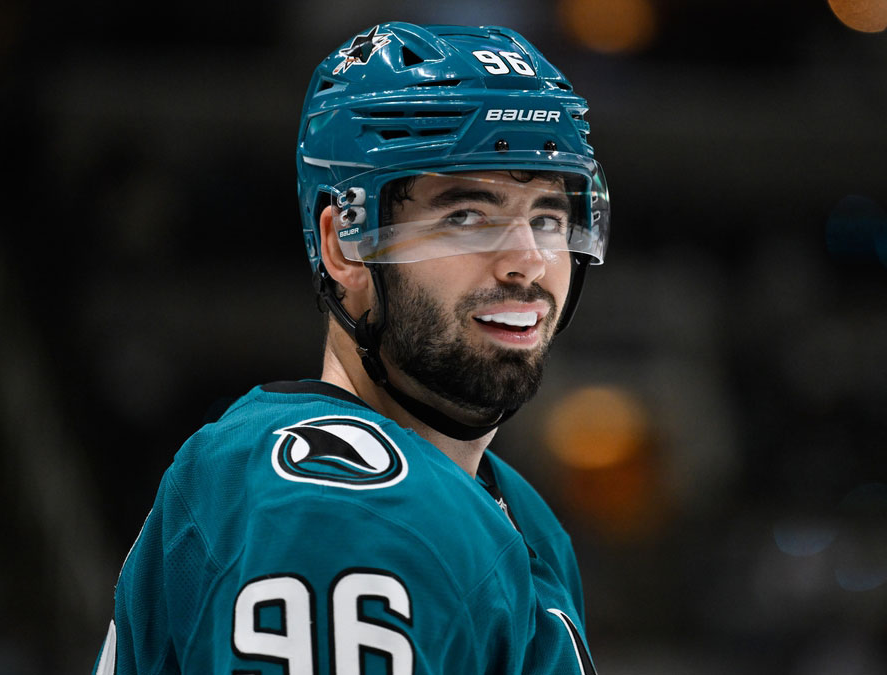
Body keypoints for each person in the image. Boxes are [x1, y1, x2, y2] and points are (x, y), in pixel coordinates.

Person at [92, 21, 609, 674]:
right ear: (346, 245)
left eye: (547, 216)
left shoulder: (516, 511)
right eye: (467, 215)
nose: (527, 261)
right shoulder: (336, 499)